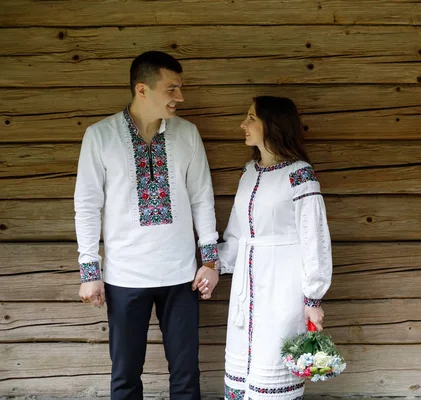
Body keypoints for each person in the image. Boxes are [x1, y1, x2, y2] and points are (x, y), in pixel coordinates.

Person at [74, 51, 219, 400]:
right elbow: (87, 205)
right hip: (125, 276)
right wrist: (89, 271)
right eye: (172, 89)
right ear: (142, 89)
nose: (180, 97)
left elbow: (202, 198)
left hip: (181, 275)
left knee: (186, 375)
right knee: (125, 375)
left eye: (180, 89)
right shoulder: (100, 136)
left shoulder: (187, 134)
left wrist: (211, 262)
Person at [218, 96, 333, 399]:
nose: (243, 124)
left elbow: (315, 237)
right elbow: (236, 234)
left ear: (272, 124)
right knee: (244, 367)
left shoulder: (299, 174)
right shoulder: (248, 173)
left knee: (273, 368)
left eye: (251, 117)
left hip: (283, 288)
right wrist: (211, 265)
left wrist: (313, 297)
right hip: (246, 290)